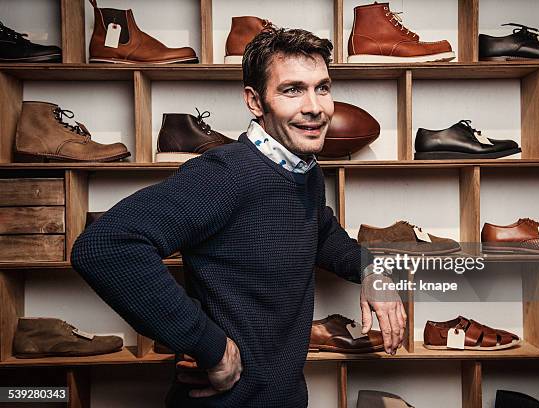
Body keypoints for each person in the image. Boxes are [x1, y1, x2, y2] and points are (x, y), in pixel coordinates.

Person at [71, 27, 406, 408]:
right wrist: (209, 347)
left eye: (323, 87)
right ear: (255, 101)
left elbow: (321, 230)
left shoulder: (304, 170)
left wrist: (371, 271)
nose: (315, 106)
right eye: (292, 90)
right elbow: (105, 246)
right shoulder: (225, 173)